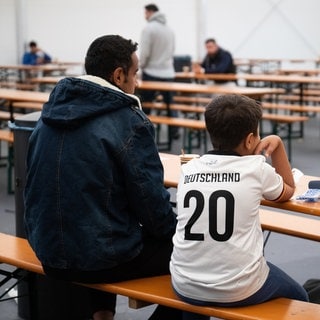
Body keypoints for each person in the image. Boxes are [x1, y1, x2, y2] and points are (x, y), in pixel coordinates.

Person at [24, 34, 182, 320]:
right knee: (200, 258)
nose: (138, 83)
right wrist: (179, 235)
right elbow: (152, 206)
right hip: (98, 257)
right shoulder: (128, 120)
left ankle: (102, 315)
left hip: (47, 250)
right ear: (119, 75)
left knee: (99, 220)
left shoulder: (47, 116)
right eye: (135, 74)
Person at [170, 94, 309, 320]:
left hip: (184, 282)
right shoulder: (256, 169)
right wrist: (279, 145)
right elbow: (288, 190)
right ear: (250, 140)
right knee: (300, 298)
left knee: (198, 294)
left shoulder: (189, 168)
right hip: (239, 287)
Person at [139, 3, 179, 139]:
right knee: (170, 104)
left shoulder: (148, 29)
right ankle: (174, 132)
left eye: (145, 13)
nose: (145, 16)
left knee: (147, 105)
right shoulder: (170, 30)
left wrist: (141, 67)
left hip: (151, 72)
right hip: (168, 73)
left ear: (150, 12)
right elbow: (172, 50)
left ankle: (143, 132)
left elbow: (144, 53)